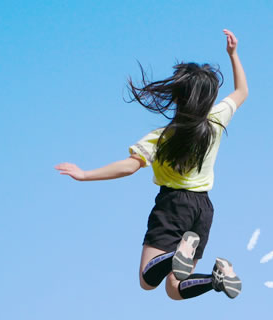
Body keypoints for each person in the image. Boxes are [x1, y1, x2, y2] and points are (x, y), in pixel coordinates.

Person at [55, 29, 248, 300]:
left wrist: (86, 174)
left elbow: (129, 166)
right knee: (174, 288)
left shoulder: (161, 138)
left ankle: (176, 256)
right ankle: (218, 279)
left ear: (178, 98)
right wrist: (233, 54)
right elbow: (242, 91)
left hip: (173, 205)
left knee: (147, 279)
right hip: (203, 209)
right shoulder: (215, 121)